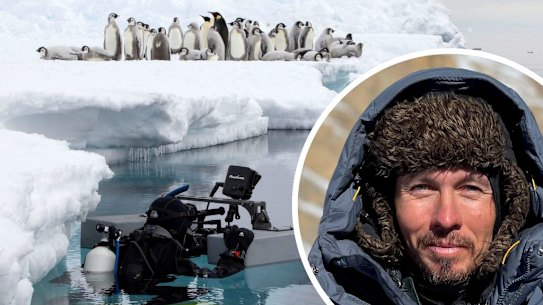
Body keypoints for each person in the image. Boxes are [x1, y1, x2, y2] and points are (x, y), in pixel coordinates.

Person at [308, 67, 543, 305]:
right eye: (422, 188)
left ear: (508, 205)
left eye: (471, 189)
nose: (446, 218)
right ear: (386, 206)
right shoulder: (325, 290)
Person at [118, 195, 254, 289]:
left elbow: (188, 245)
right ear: (176, 229)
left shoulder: (136, 240)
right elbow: (210, 276)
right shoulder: (168, 248)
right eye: (185, 227)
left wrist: (203, 243)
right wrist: (237, 250)